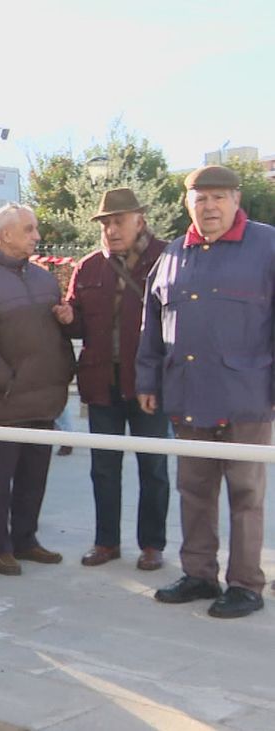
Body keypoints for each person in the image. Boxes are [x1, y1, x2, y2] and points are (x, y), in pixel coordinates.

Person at [139, 165, 275, 619]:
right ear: (187, 204)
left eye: (219, 197)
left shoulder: (267, 246)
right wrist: (147, 381)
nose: (210, 206)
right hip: (188, 394)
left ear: (237, 199)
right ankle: (199, 573)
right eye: (200, 198)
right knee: (194, 490)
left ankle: (245, 584)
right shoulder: (174, 255)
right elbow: (152, 328)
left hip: (247, 397)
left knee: (246, 494)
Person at [0, 203, 74, 576]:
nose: (37, 235)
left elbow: (55, 329)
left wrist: (67, 325)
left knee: (34, 478)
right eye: (29, 229)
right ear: (5, 234)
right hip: (2, 403)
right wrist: (6, 383)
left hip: (42, 399)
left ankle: (26, 539)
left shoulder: (43, 278)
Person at [61, 188, 170, 571]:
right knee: (103, 468)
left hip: (148, 387)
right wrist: (65, 316)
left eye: (118, 220)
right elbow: (77, 325)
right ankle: (106, 542)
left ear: (139, 219)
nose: (110, 229)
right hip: (101, 384)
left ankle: (152, 546)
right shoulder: (89, 266)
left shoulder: (167, 258)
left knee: (153, 468)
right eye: (105, 223)